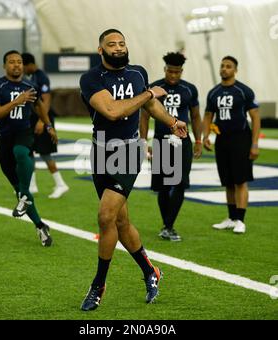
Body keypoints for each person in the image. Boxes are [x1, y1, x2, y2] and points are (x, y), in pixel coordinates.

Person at [79, 29, 188, 311]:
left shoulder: (137, 72)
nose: (118, 48)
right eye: (111, 44)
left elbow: (150, 104)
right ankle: (151, 271)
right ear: (100, 49)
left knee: (105, 216)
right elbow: (113, 111)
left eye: (122, 43)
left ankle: (98, 286)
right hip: (101, 150)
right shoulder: (91, 78)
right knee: (120, 222)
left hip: (127, 151)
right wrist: (149, 93)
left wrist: (172, 120)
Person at [0, 50, 58, 246]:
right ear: (5, 66)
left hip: (24, 133)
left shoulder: (30, 85)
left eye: (19, 62)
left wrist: (48, 125)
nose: (16, 65)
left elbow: (40, 106)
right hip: (4, 138)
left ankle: (25, 195)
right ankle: (40, 225)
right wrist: (16, 101)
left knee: (21, 151)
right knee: (18, 189)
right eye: (12, 62)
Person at [140, 52, 202, 241]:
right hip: (161, 140)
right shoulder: (154, 89)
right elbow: (144, 116)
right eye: (170, 71)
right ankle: (167, 225)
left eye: (177, 72)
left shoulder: (189, 89)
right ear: (165, 69)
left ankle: (169, 225)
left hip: (182, 141)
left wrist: (198, 140)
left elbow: (195, 116)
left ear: (181, 71)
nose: (173, 75)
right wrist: (143, 141)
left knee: (181, 183)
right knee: (163, 186)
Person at [203, 56, 260, 234]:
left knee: (240, 180)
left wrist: (255, 143)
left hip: (241, 138)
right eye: (222, 66)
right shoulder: (214, 92)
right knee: (227, 181)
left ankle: (241, 221)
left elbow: (256, 118)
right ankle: (231, 217)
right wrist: (206, 136)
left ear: (235, 70)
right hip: (222, 139)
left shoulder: (243, 91)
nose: (224, 69)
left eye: (228, 66)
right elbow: (208, 116)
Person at [22, 52, 69, 199]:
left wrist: (42, 121)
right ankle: (32, 185)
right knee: (30, 151)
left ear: (29, 64)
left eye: (23, 66)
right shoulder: (31, 77)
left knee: (44, 153)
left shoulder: (41, 76)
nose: (21, 69)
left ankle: (61, 184)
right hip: (33, 120)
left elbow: (46, 100)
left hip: (42, 120)